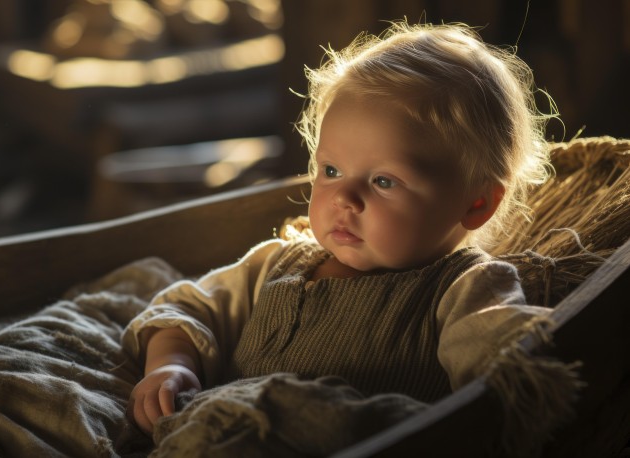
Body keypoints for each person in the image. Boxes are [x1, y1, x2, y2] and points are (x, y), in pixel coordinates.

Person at [122, 21, 557, 435]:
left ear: (476, 202)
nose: (343, 199)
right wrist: (171, 365)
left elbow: (502, 356)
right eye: (330, 170)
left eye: (384, 181)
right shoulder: (278, 264)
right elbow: (188, 309)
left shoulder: (464, 289)